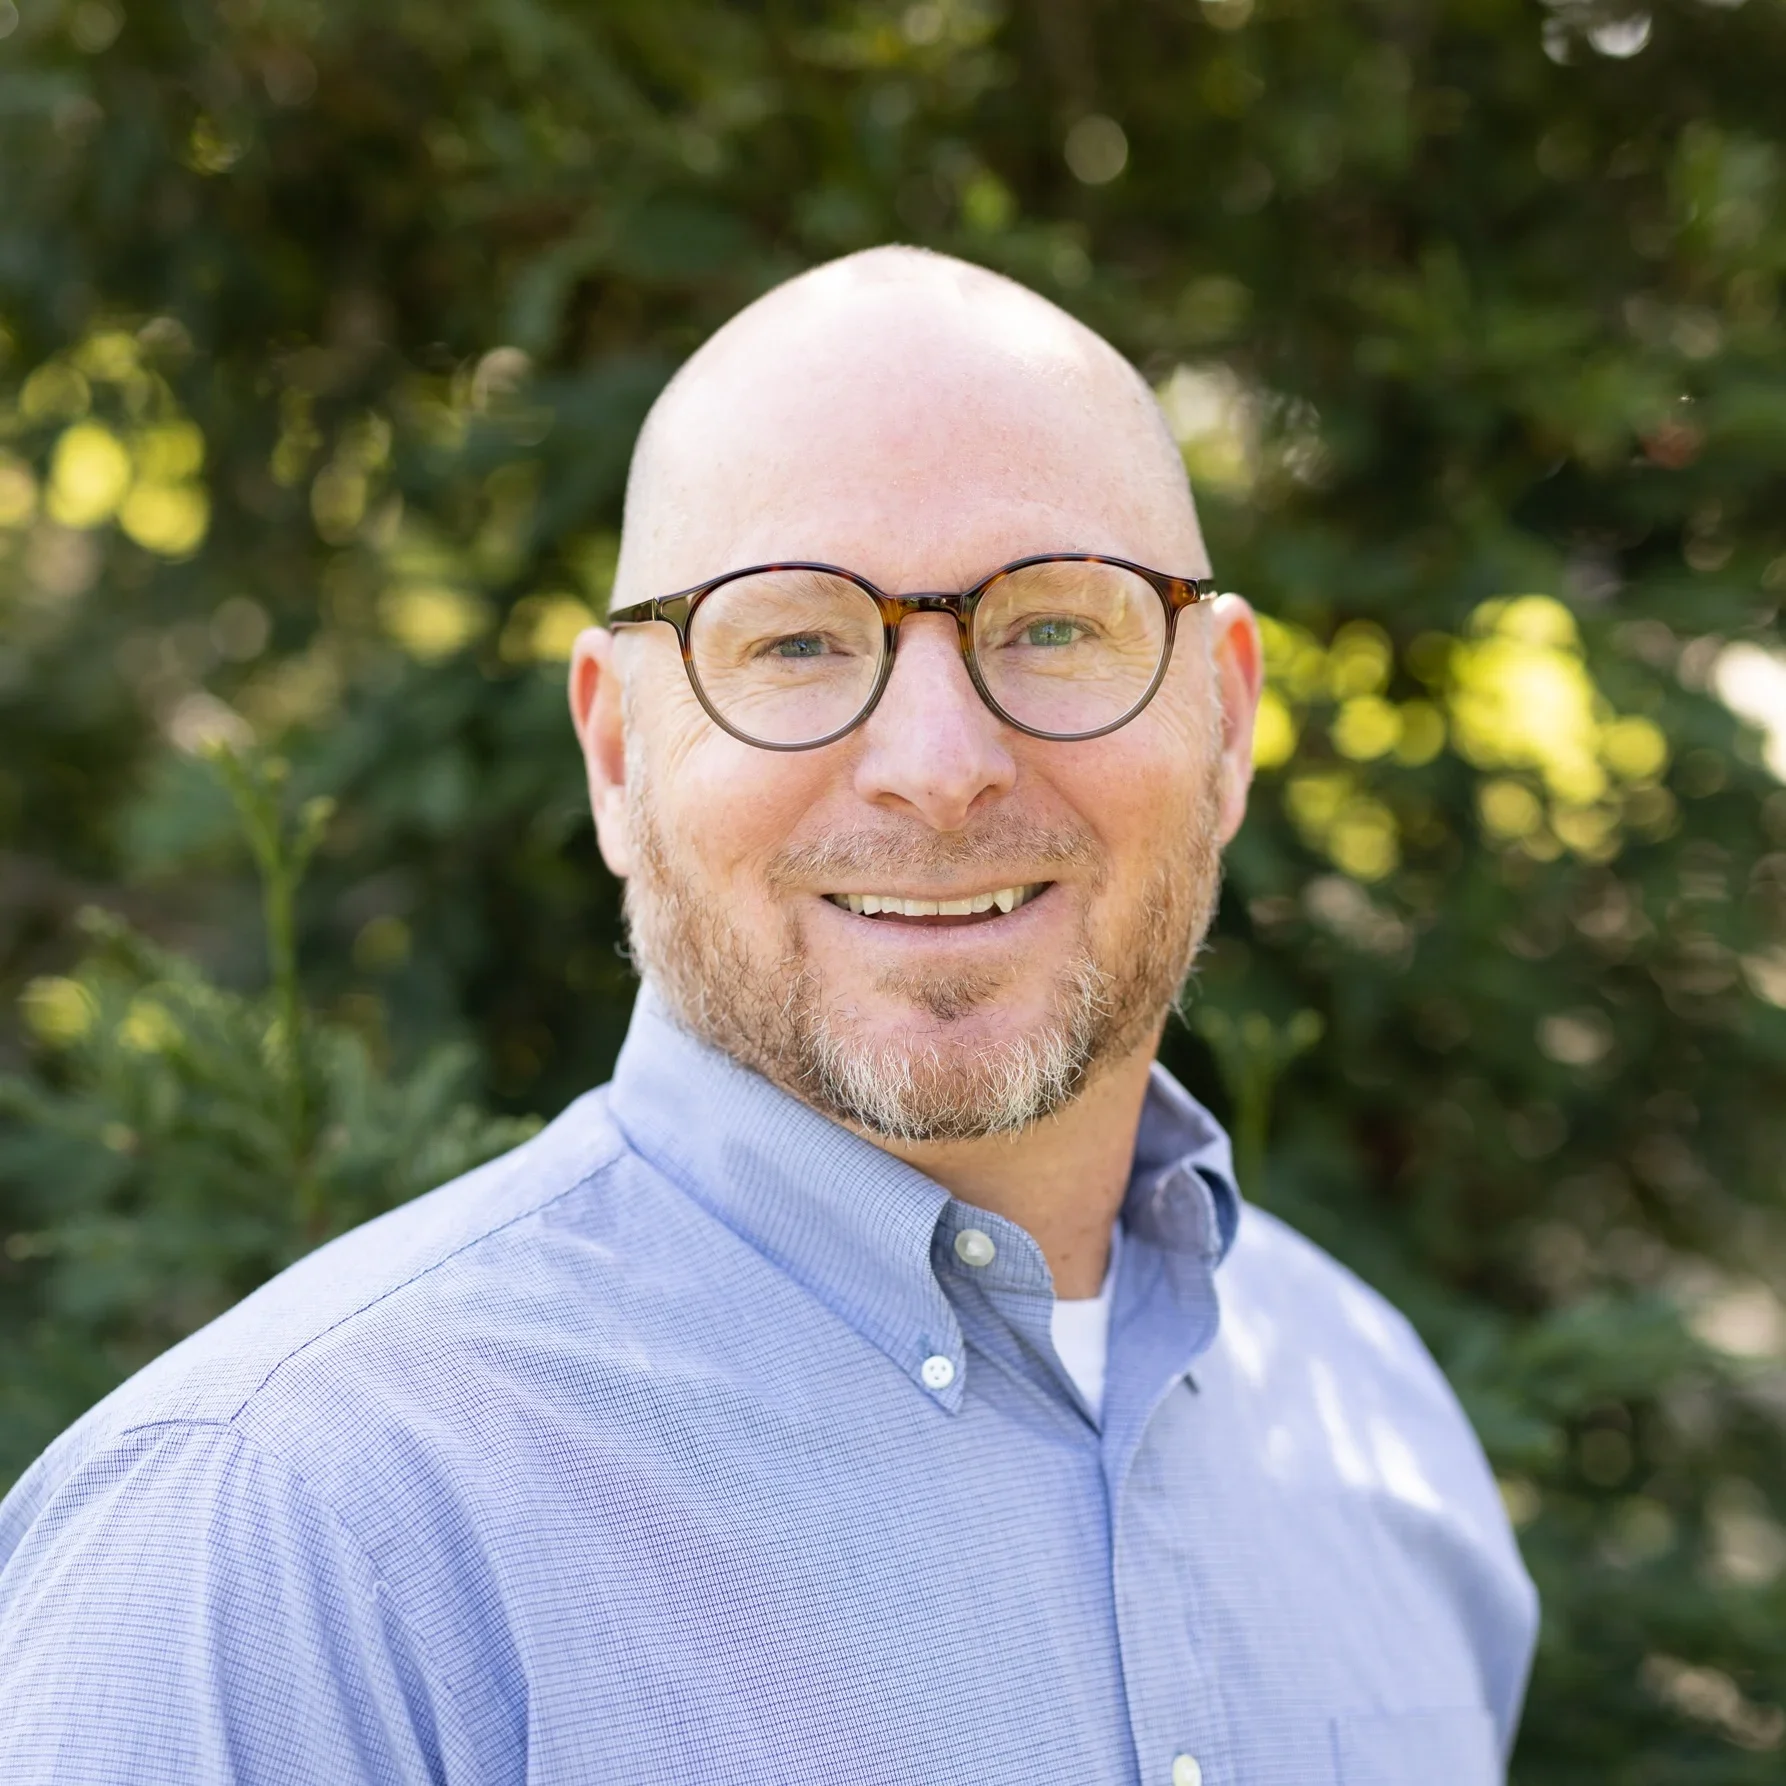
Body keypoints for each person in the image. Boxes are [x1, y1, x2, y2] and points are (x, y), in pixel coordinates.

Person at [0, 247, 1537, 1784]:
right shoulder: (284, 1539)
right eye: (795, 641)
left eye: (1055, 626)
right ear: (616, 753)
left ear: (1226, 719)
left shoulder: (1373, 1421)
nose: (939, 764)